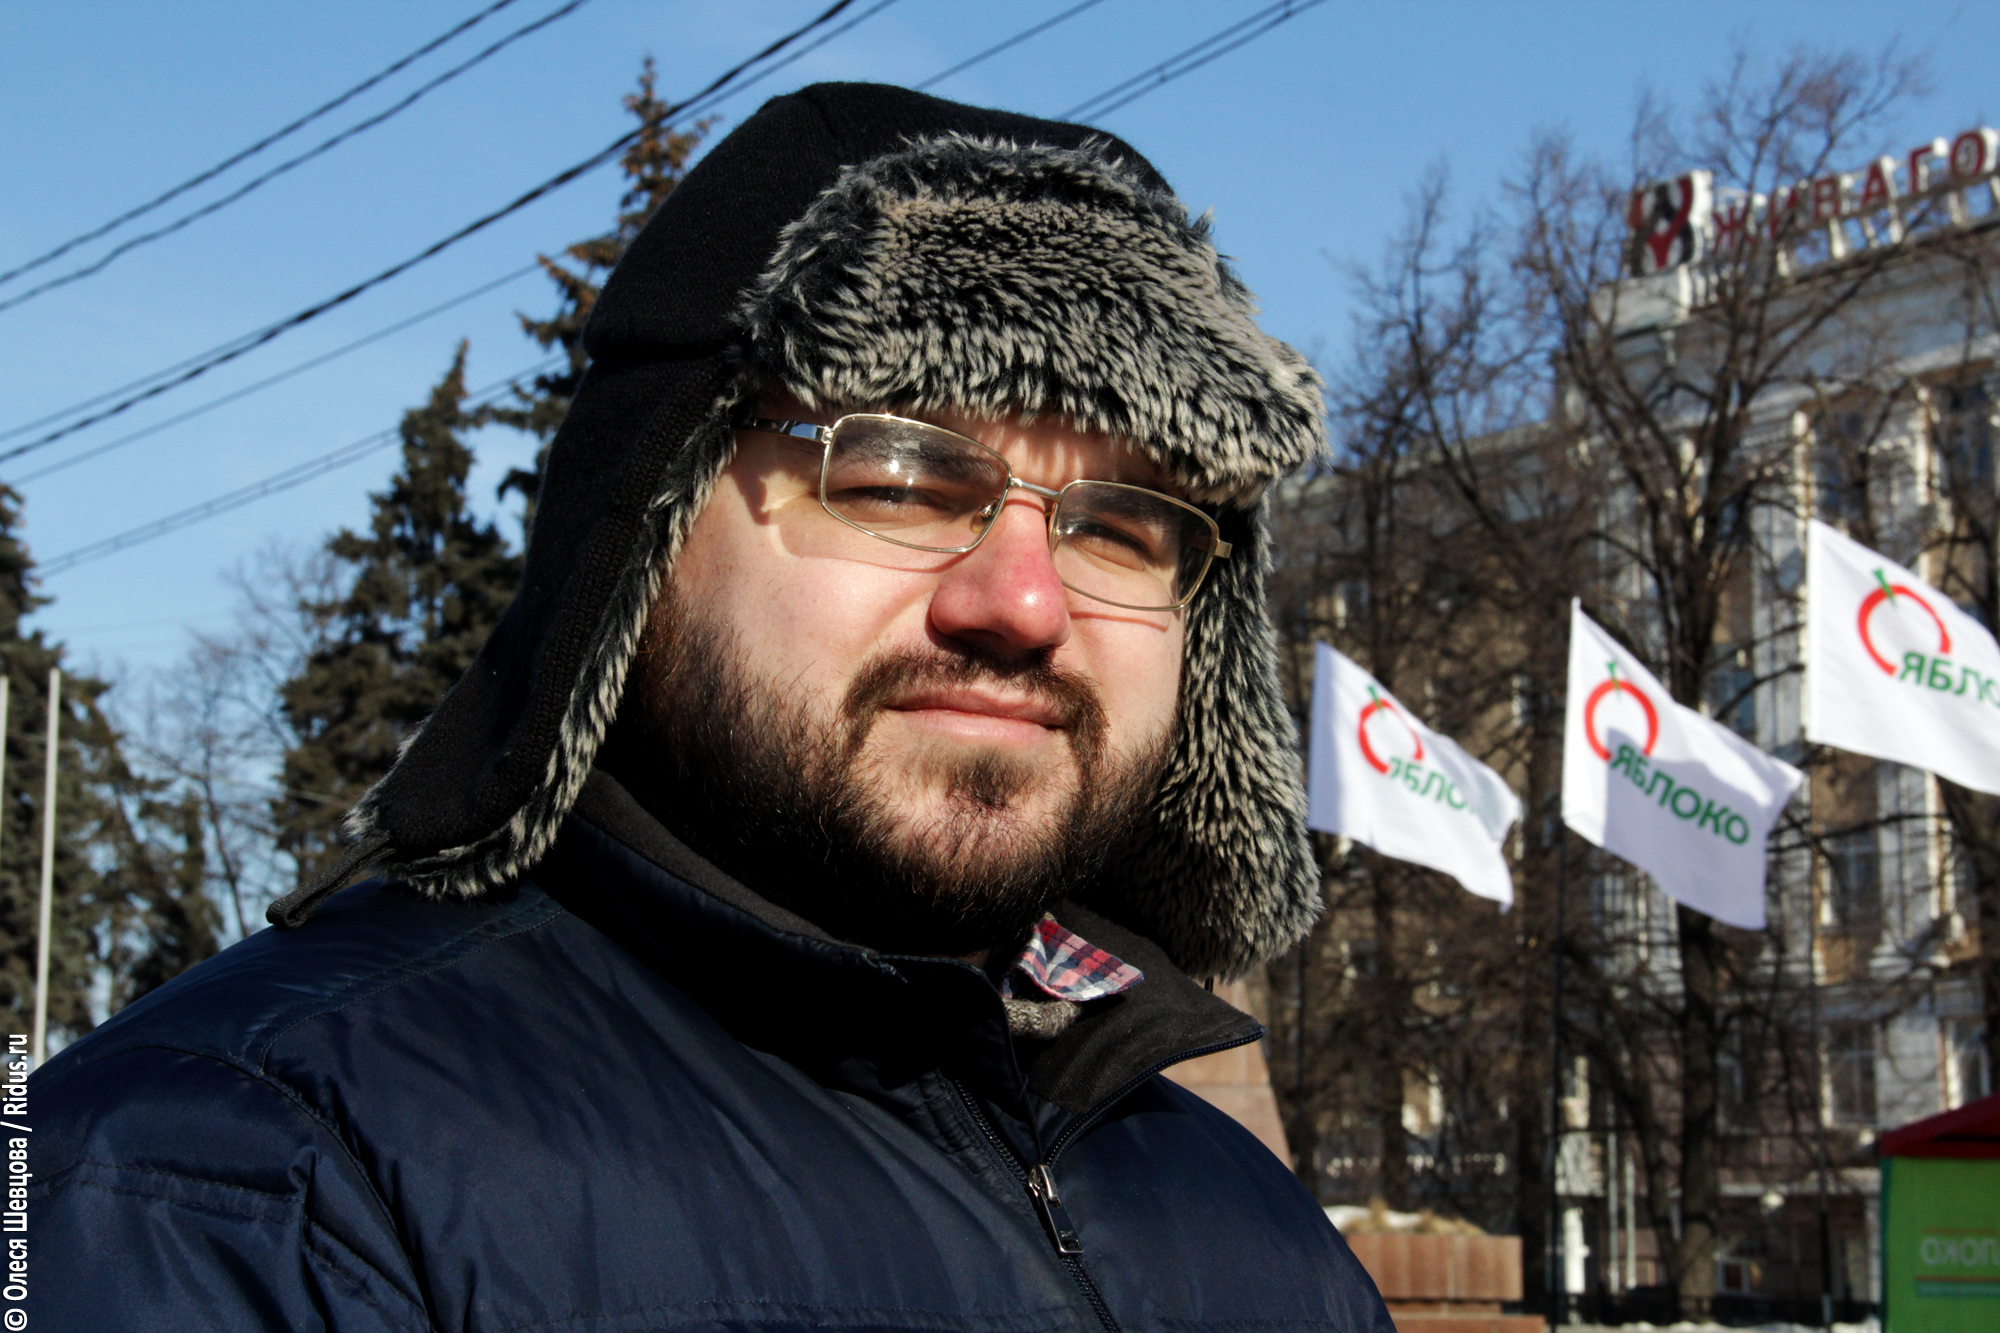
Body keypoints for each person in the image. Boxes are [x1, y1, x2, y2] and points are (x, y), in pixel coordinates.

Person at [32, 83, 1392, 1333]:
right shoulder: (236, 1181)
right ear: (648, 529)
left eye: (1122, 526)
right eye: (901, 478)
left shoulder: (1270, 1246)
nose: (1024, 602)